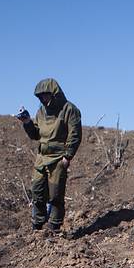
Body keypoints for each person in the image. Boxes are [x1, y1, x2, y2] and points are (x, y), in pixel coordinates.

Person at [16, 78, 82, 233]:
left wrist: (68, 156)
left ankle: (54, 226)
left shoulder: (69, 109)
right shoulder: (41, 111)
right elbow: (36, 134)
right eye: (40, 96)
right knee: (37, 191)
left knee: (56, 195)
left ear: (54, 94)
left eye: (45, 95)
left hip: (58, 158)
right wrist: (27, 122)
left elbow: (75, 135)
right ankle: (37, 226)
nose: (43, 99)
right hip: (42, 157)